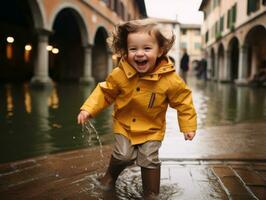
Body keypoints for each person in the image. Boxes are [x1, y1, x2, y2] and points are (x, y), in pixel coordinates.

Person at [77, 19, 197, 199]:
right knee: (123, 155)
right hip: (124, 125)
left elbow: (183, 100)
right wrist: (88, 109)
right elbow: (105, 92)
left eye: (147, 48)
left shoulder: (169, 78)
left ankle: (151, 193)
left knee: (149, 159)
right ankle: (109, 177)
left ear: (160, 51)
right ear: (126, 51)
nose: (139, 54)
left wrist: (188, 126)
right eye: (133, 49)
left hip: (152, 128)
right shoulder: (120, 73)